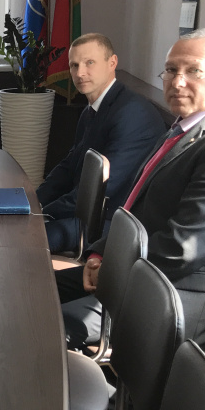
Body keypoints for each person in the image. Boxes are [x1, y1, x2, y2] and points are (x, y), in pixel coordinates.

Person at [57, 29, 205, 351]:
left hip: (175, 299)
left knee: (42, 324)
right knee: (34, 290)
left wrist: (111, 269)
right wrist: (100, 253)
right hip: (140, 271)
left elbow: (182, 248)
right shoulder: (186, 126)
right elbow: (133, 209)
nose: (177, 82)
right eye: (171, 70)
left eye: (194, 70)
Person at [36, 33, 165, 253]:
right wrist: (34, 201)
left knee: (25, 239)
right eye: (74, 65)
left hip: (110, 223)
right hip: (86, 213)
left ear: (112, 62)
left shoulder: (131, 114)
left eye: (89, 63)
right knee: (17, 230)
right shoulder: (92, 109)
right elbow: (69, 167)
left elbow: (100, 190)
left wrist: (41, 213)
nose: (80, 73)